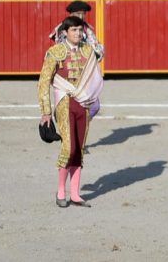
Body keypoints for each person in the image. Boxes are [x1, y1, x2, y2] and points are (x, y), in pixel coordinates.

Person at [39, 16, 104, 208]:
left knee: (79, 148)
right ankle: (61, 191)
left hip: (83, 104)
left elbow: (95, 77)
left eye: (79, 30)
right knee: (69, 148)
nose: (77, 33)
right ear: (65, 32)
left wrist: (92, 99)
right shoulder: (56, 52)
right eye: (73, 30)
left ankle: (75, 194)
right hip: (64, 102)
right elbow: (44, 82)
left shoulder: (87, 50)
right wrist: (46, 112)